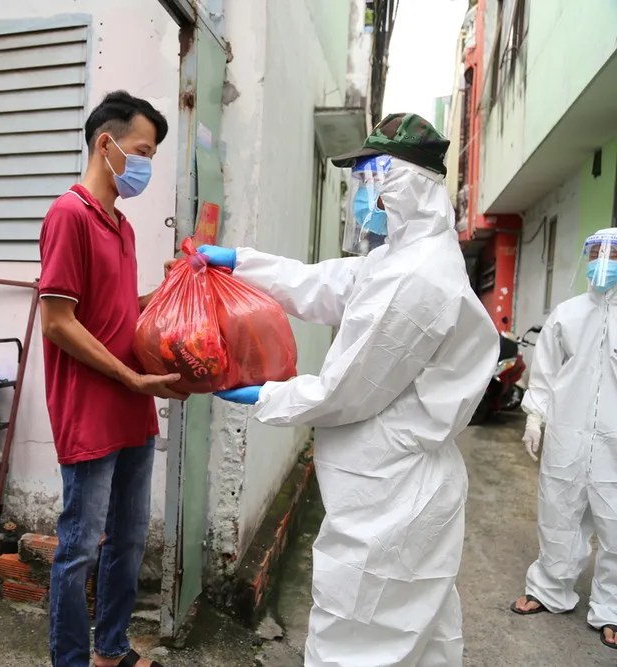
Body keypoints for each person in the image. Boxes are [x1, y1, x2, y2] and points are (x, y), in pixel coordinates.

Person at [198, 113, 500, 666]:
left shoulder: (417, 279)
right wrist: (243, 265)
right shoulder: (398, 259)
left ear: (406, 182)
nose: (362, 190)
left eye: (371, 174)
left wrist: (267, 396)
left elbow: (349, 391)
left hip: (390, 499)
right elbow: (327, 285)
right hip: (392, 484)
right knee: (415, 639)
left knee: (358, 640)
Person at [38, 90, 182, 667]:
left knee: (127, 541)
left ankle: (112, 650)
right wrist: (130, 376)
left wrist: (169, 289)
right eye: (142, 150)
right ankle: (71, 661)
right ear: (107, 143)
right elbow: (56, 320)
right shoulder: (68, 215)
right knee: (78, 549)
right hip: (91, 411)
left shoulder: (119, 226)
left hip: (132, 409)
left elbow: (121, 312)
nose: (145, 164)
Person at [510, 227, 617, 650]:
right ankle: (549, 589)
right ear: (587, 258)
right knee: (558, 513)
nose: (603, 262)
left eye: (612, 253)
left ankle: (612, 610)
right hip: (568, 435)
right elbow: (546, 373)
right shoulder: (567, 314)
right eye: (596, 252)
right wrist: (535, 417)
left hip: (615, 440)